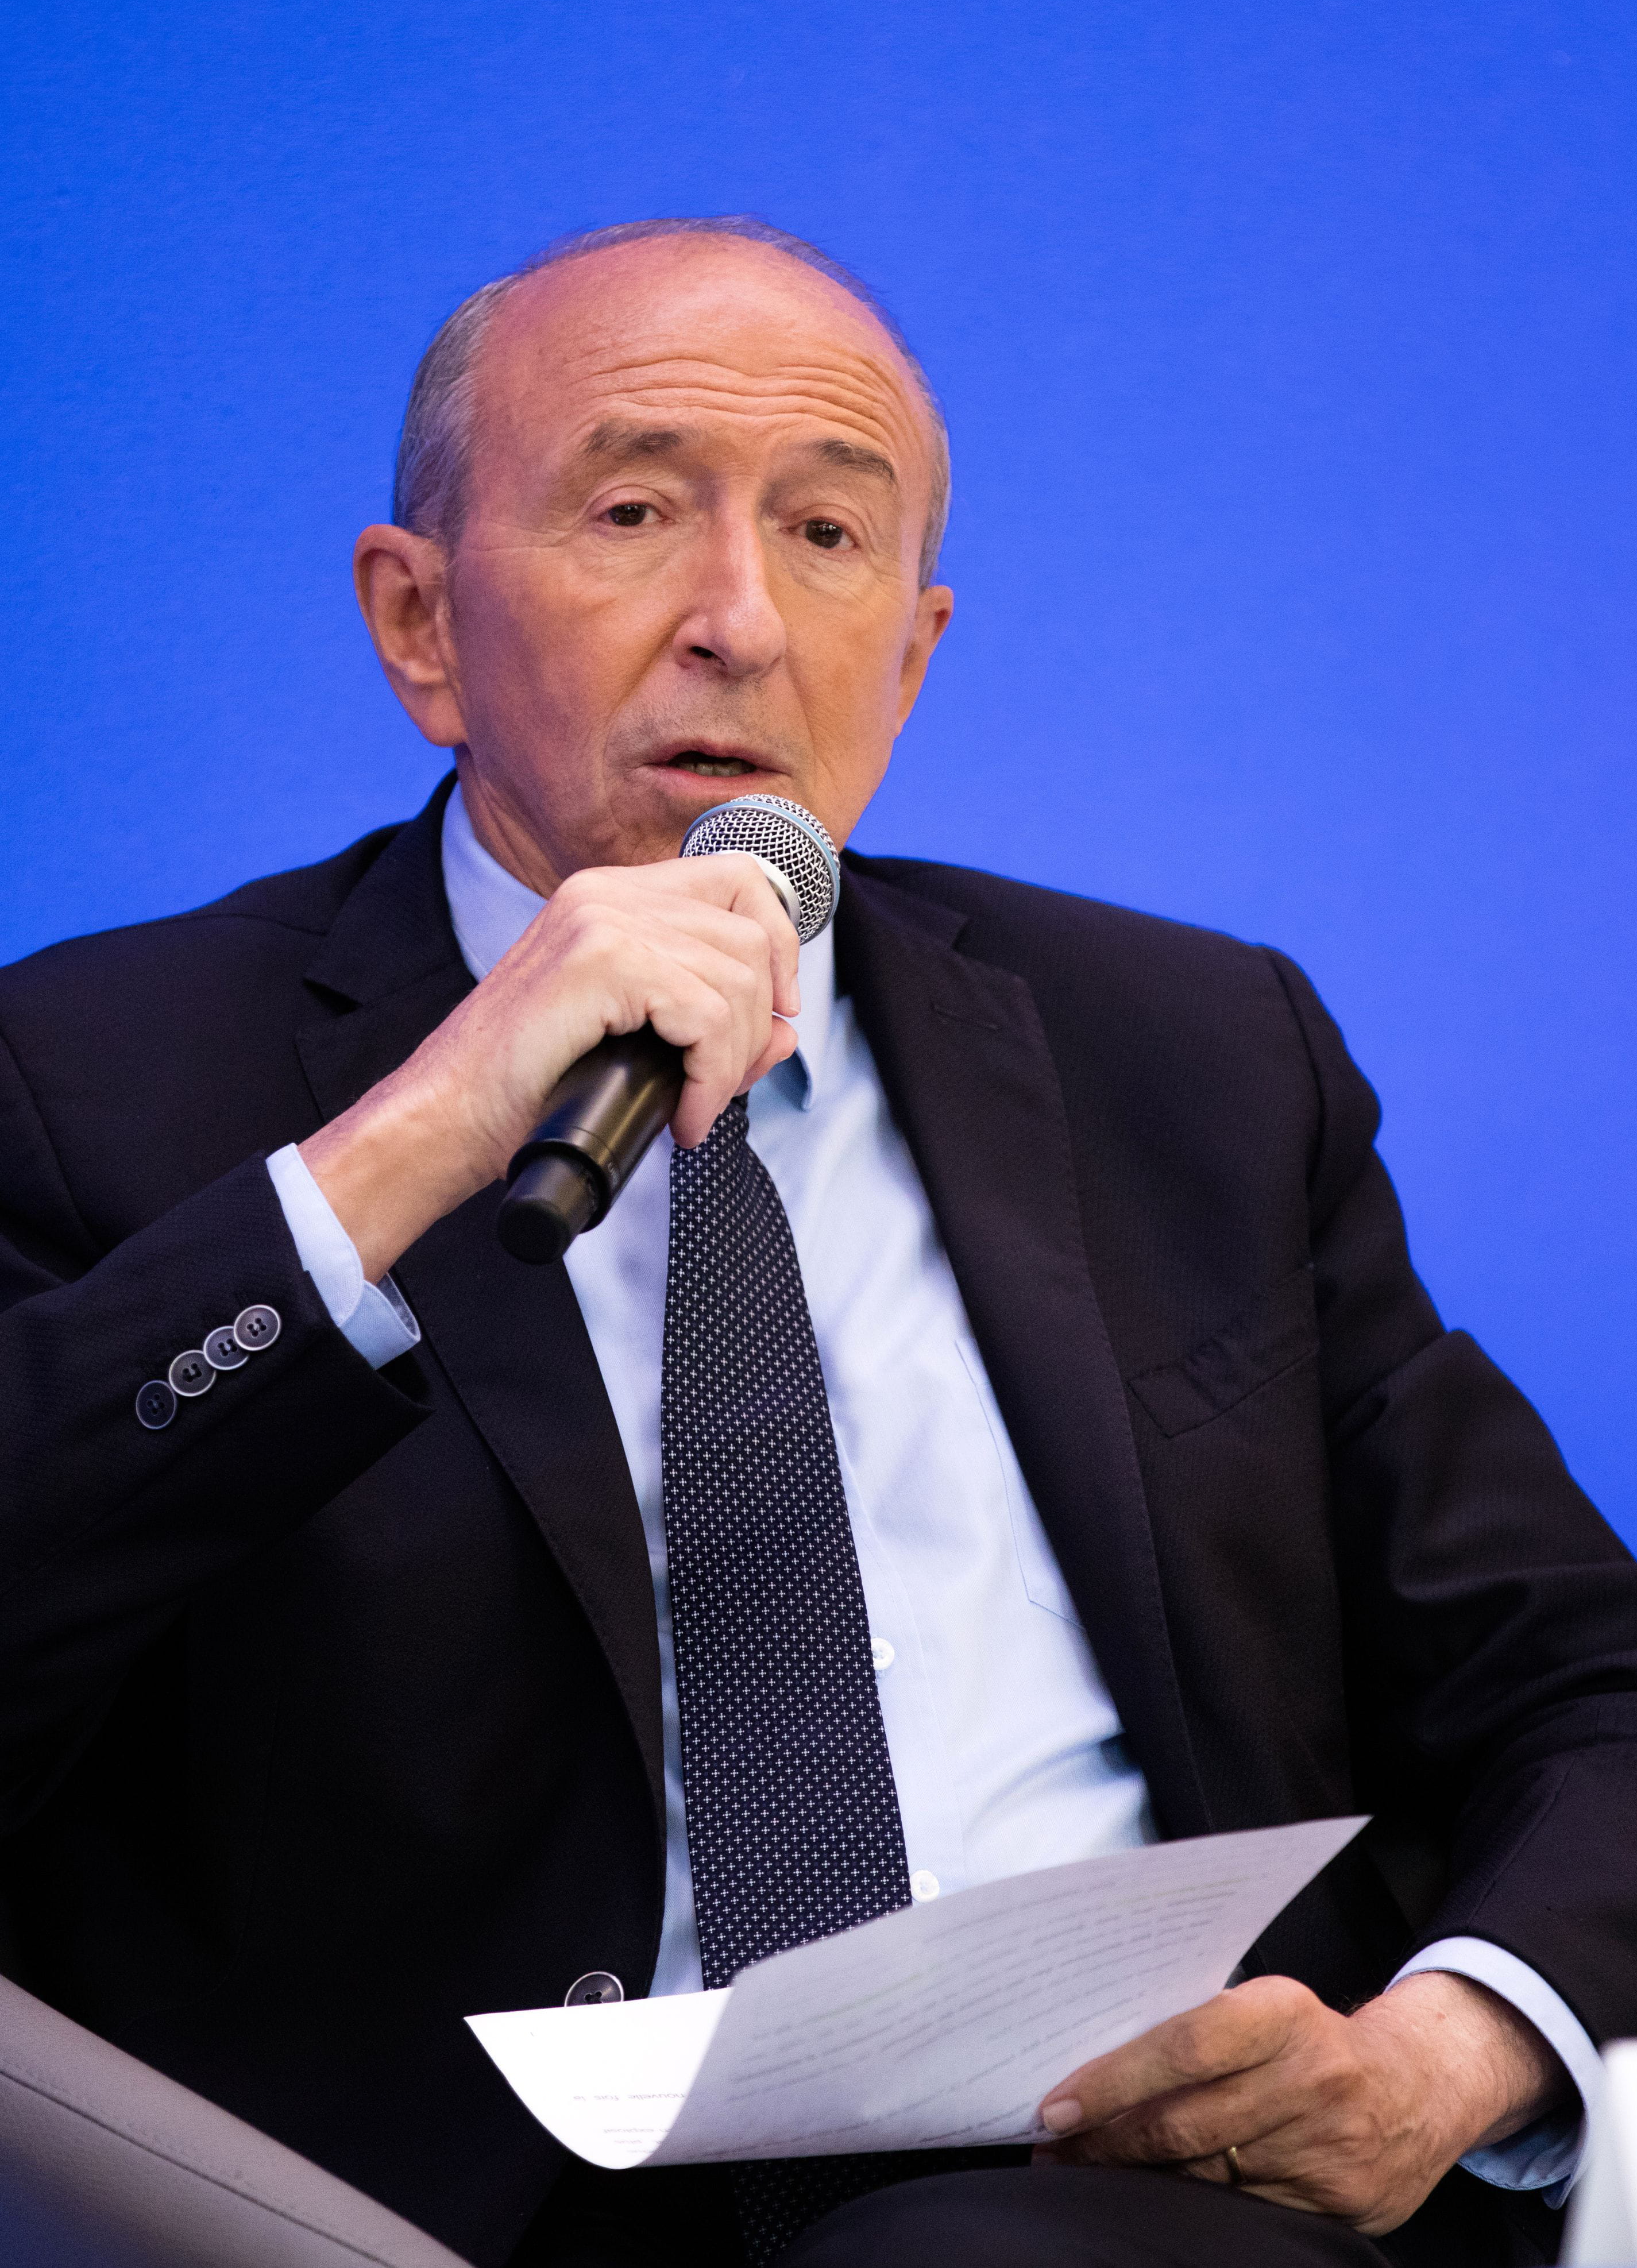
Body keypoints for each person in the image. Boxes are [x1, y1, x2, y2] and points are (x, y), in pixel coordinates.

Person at [0, 216, 1632, 2268]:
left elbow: (1579, 1675)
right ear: (418, 624)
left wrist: (1451, 2051)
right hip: (447, 2217)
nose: (742, 622)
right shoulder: (95, 1075)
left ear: (915, 652)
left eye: (828, 535)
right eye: (632, 512)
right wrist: (419, 1135)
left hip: (1139, 2191)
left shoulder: (1193, 1056)